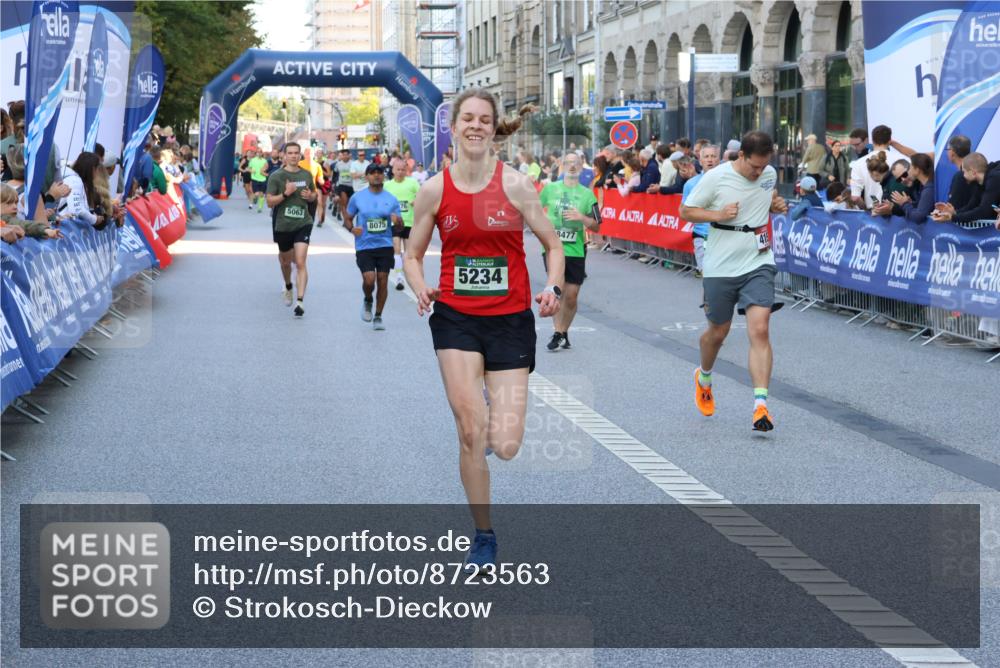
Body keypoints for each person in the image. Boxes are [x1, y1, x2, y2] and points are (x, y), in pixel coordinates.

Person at [403, 90, 564, 572]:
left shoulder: (516, 186)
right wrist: (419, 288)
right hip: (456, 318)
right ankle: (484, 535)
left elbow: (553, 245)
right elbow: (411, 255)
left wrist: (553, 286)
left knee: (507, 446)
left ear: (495, 128)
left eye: (484, 120)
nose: (475, 126)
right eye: (467, 118)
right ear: (454, 126)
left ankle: (495, 402)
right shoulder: (434, 190)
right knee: (470, 430)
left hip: (510, 319)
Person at [679, 131, 788, 432]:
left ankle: (761, 406)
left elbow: (767, 196)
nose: (758, 172)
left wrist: (775, 204)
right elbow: (685, 210)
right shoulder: (716, 178)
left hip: (758, 259)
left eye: (763, 166)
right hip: (721, 262)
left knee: (760, 328)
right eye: (753, 166)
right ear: (741, 156)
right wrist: (718, 213)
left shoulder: (768, 173)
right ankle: (704, 376)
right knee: (718, 331)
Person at [538, 151, 599, 352]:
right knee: (558, 290)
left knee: (571, 295)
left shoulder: (587, 194)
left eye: (576, 163)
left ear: (582, 166)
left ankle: (563, 332)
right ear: (562, 166)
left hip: (575, 249)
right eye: (568, 163)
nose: (572, 166)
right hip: (553, 249)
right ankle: (558, 332)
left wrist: (581, 217)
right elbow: (535, 212)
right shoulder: (550, 189)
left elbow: (598, 225)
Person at [344, 163, 402, 329]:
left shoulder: (391, 199)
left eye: (379, 173)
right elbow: (348, 217)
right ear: (367, 176)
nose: (376, 175)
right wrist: (351, 228)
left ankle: (378, 316)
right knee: (369, 280)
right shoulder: (358, 197)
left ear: (383, 176)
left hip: (385, 245)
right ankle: (368, 298)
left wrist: (398, 221)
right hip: (364, 245)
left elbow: (399, 226)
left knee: (382, 280)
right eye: (372, 173)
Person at [265, 142, 318, 317]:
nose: (294, 156)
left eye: (296, 153)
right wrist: (286, 193)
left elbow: (314, 194)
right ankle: (288, 285)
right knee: (286, 262)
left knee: (301, 262)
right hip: (283, 225)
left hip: (303, 223)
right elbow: (269, 202)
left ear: (300, 155)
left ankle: (300, 301)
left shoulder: (306, 174)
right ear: (284, 156)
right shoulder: (276, 176)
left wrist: (310, 197)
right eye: (290, 153)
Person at [682, 144, 720, 274]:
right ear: (700, 160)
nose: (710, 160)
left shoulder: (728, 180)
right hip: (702, 236)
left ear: (718, 159)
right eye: (706, 156)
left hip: (725, 236)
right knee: (708, 275)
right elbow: (684, 212)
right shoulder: (691, 184)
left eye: (713, 156)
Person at [383, 159, 420, 291]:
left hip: (410, 222)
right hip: (394, 222)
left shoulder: (412, 183)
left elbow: (422, 195)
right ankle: (399, 276)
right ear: (393, 170)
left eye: (403, 170)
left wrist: (415, 201)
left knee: (409, 253)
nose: (400, 172)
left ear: (406, 171)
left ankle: (410, 276)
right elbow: (382, 200)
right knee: (396, 248)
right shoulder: (387, 185)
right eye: (397, 169)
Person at [932, 153, 1000, 224]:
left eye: (964, 172)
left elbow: (983, 211)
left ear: (973, 172)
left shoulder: (994, 179)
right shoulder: (979, 183)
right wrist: (954, 213)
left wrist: (952, 217)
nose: (963, 176)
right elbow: (971, 206)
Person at [334, 148, 354, 222]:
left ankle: (346, 218)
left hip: (351, 186)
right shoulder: (338, 164)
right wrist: (334, 184)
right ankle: (346, 220)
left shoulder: (353, 163)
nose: (345, 156)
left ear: (349, 155)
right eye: (343, 155)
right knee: (344, 202)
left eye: (346, 155)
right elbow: (335, 175)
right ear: (341, 156)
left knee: (348, 205)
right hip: (342, 185)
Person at [248, 148, 269, 213]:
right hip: (255, 178)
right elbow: (248, 169)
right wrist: (251, 170)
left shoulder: (264, 161)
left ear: (262, 153)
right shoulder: (252, 160)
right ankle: (255, 198)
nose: (259, 153)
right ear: (256, 153)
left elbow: (267, 168)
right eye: (258, 152)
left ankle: (260, 208)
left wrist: (265, 170)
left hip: (263, 179)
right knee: (256, 194)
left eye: (260, 152)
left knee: (262, 194)